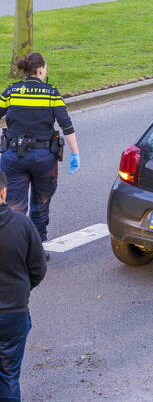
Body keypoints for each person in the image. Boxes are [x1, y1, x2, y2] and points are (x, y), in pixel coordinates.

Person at [0, 53, 80, 250]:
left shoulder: (11, 91)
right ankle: (38, 249)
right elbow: (67, 126)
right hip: (43, 159)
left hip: (13, 157)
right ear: (41, 69)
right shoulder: (51, 93)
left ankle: (15, 250)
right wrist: (75, 154)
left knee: (14, 208)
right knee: (40, 206)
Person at [0, 171, 48, 401]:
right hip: (13, 311)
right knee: (9, 373)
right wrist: (21, 290)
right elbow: (38, 269)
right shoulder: (23, 225)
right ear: (4, 192)